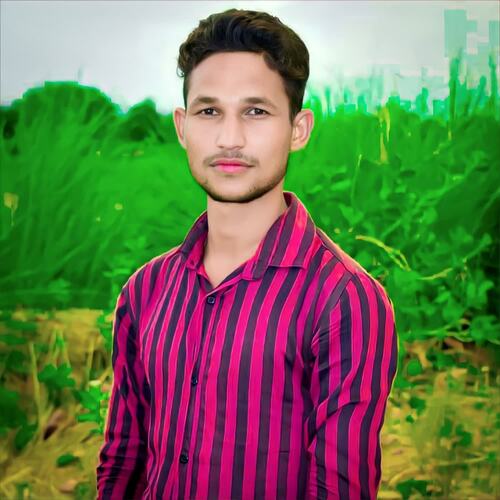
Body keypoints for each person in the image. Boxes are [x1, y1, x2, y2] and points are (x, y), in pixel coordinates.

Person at [96, 8, 398, 500]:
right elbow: (123, 461)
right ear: (182, 127)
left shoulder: (345, 299)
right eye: (209, 111)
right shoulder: (145, 290)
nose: (229, 139)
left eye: (255, 111)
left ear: (298, 129)